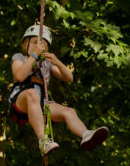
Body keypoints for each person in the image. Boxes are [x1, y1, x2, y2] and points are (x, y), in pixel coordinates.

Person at [7, 24, 108, 156]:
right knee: (32, 94)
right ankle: (43, 141)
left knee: (69, 111)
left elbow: (69, 78)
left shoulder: (46, 64)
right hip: (22, 100)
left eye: (42, 45)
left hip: (41, 102)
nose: (38, 46)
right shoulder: (20, 57)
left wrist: (57, 62)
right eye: (34, 42)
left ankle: (86, 134)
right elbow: (19, 76)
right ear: (26, 43)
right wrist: (34, 55)